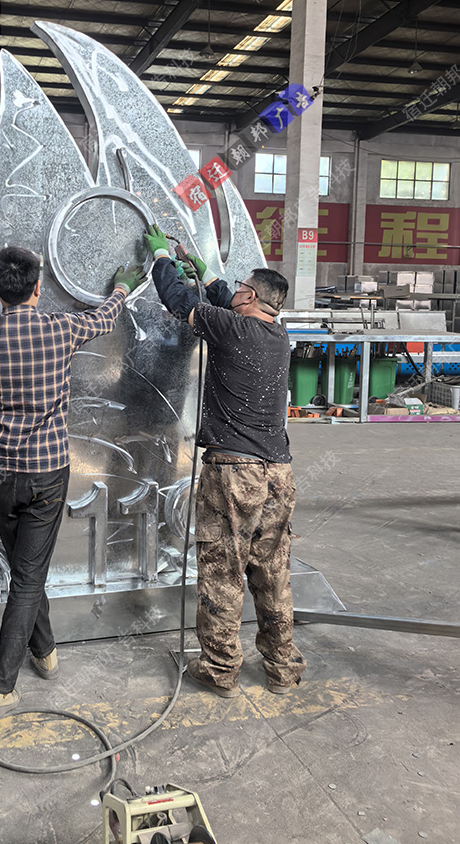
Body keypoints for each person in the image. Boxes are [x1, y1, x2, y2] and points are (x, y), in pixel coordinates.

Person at [0, 232, 146, 717]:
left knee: (26, 569)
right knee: (28, 576)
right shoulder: (61, 329)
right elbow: (105, 318)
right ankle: (0, 687)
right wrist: (121, 287)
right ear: (37, 287)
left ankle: (45, 652)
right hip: (47, 471)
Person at [143, 223, 306, 697]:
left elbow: (179, 302)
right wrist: (205, 270)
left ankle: (220, 669)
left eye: (239, 287)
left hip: (234, 473)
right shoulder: (278, 335)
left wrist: (161, 258)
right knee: (272, 573)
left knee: (222, 572)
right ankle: (282, 668)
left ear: (249, 296)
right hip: (279, 474)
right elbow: (223, 299)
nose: (231, 291)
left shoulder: (230, 327)